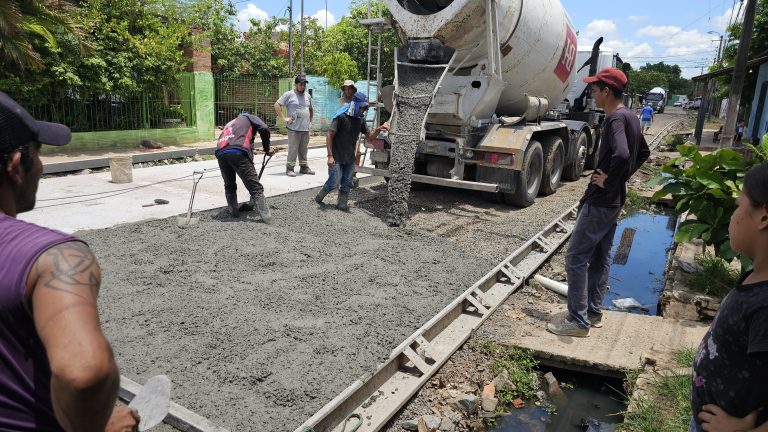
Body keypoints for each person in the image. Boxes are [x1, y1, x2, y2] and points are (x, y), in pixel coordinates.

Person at [0, 91, 139, 431]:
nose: (42, 166)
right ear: (17, 165)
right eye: (38, 153)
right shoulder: (53, 257)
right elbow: (85, 373)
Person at [546, 68, 650, 337]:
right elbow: (644, 152)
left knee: (576, 258)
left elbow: (624, 154)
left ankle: (578, 321)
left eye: (594, 88)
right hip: (613, 201)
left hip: (600, 201)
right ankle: (593, 311)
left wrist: (610, 180)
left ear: (607, 91)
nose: (591, 93)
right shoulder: (631, 117)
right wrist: (621, 180)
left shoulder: (615, 119)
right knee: (600, 257)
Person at [690, 162, 768, 432]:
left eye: (738, 204)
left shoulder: (765, 306)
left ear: (763, 217)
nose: (733, 213)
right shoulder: (755, 275)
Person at [315, 92, 388, 210]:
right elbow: (329, 135)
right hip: (336, 155)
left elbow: (369, 137)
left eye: (365, 108)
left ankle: (341, 203)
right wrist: (330, 156)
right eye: (362, 107)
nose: (363, 110)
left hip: (349, 157)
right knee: (334, 181)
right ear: (355, 105)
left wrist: (379, 129)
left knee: (346, 183)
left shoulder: (360, 119)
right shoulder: (341, 116)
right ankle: (319, 198)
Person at [215, 112, 275, 223]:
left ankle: (233, 211)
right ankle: (267, 218)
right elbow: (264, 128)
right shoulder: (249, 117)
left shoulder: (231, 123)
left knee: (229, 185)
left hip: (221, 153)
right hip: (238, 151)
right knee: (255, 187)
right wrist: (267, 148)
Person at [274, 75, 314, 177]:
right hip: (294, 129)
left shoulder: (307, 96)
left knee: (304, 149)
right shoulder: (289, 95)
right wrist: (284, 118)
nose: (303, 86)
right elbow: (277, 105)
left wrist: (310, 122)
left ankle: (304, 167)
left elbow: (311, 109)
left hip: (305, 129)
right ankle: (290, 168)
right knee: (293, 149)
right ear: (296, 84)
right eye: (301, 84)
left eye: (304, 84)